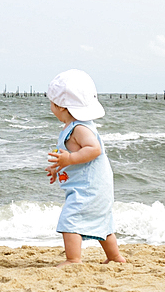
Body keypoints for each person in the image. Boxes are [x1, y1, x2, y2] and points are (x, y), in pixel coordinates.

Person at [45, 69, 126, 266]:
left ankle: (73, 259)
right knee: (103, 223)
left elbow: (94, 149)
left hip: (89, 188)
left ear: (59, 106)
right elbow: (71, 155)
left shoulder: (80, 128)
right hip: (94, 186)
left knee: (70, 220)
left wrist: (70, 159)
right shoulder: (75, 126)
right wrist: (59, 166)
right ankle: (115, 257)